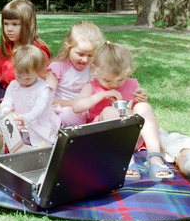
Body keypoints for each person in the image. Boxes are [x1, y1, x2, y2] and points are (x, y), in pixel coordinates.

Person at [72, 42, 175, 181]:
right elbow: (76, 107)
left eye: (120, 79)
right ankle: (125, 160)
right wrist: (100, 96)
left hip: (131, 138)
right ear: (94, 69)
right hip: (106, 141)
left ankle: (155, 158)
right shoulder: (92, 86)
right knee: (110, 111)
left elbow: (140, 113)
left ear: (128, 71)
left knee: (144, 107)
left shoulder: (132, 83)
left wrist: (141, 99)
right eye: (107, 80)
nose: (114, 85)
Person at [0, 45, 61, 154]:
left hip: (35, 119)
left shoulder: (43, 89)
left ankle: (6, 147)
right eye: (19, 76)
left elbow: (39, 109)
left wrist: (26, 118)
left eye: (28, 78)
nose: (23, 81)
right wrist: (6, 109)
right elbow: (7, 99)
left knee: (33, 134)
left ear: (38, 72)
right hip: (16, 115)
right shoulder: (14, 84)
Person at [46, 21, 105, 126]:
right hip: (64, 110)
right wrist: (72, 103)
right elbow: (46, 98)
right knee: (69, 115)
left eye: (90, 55)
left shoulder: (94, 69)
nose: (85, 59)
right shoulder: (58, 67)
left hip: (88, 111)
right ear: (68, 48)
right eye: (80, 54)